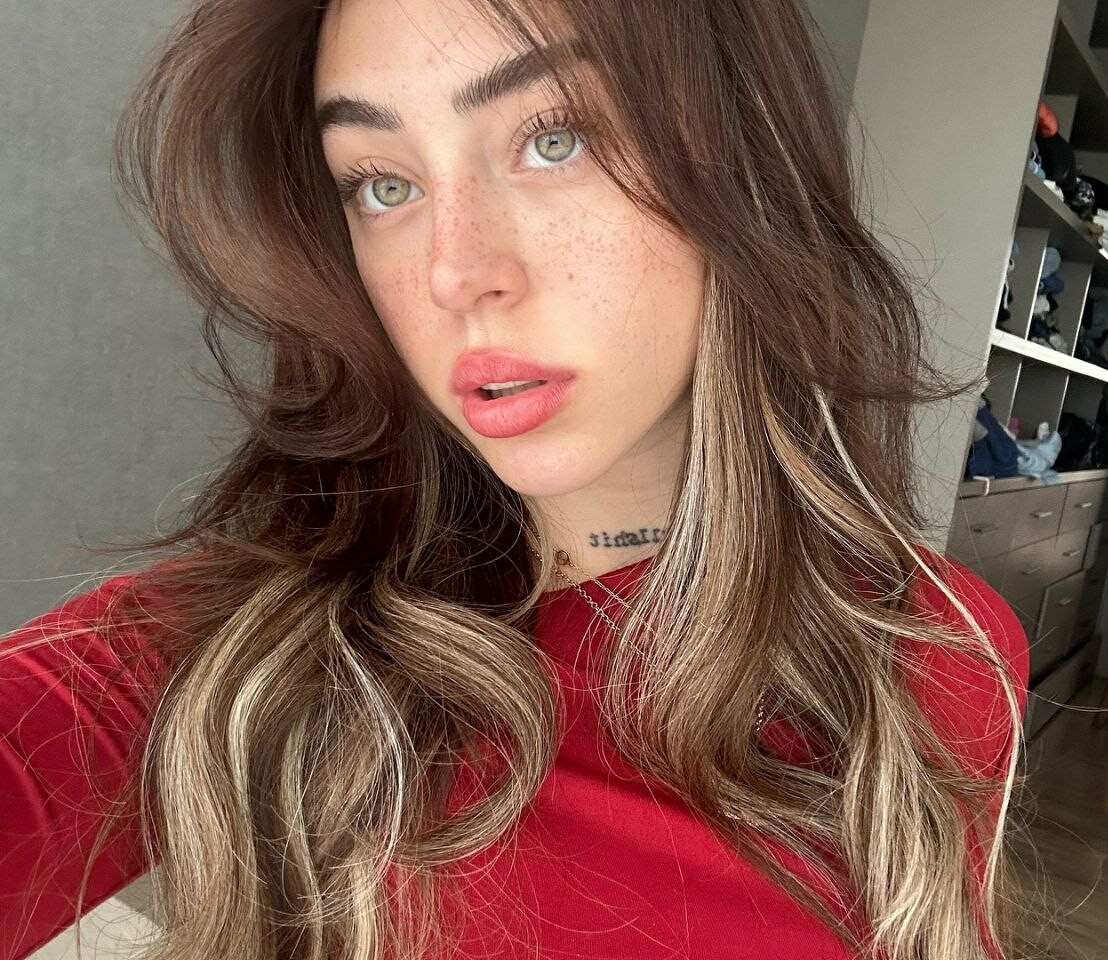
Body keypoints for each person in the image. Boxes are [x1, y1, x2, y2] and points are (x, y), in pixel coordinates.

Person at [0, 0, 1031, 957]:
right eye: (382, 184)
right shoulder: (251, 660)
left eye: (555, 137)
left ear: (747, 161)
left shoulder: (944, 647)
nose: (454, 273)